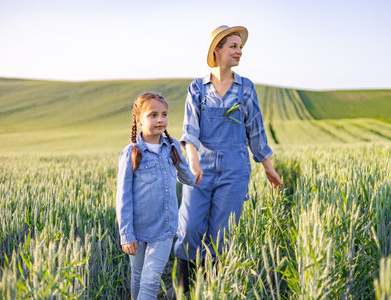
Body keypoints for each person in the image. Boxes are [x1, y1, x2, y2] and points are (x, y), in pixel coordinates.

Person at [171, 25, 284, 295]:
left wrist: (267, 166)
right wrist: (193, 161)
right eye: (233, 46)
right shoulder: (197, 88)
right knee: (189, 229)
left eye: (240, 47)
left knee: (221, 236)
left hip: (235, 169)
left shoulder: (246, 89)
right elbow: (190, 131)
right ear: (217, 50)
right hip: (199, 167)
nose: (239, 51)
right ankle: (183, 292)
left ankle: (212, 291)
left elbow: (255, 130)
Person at [116, 92, 196, 300]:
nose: (160, 120)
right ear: (139, 119)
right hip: (138, 230)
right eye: (153, 115)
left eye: (164, 114)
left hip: (164, 229)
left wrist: (190, 169)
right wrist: (126, 235)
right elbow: (123, 197)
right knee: (138, 277)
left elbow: (186, 177)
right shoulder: (132, 152)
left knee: (150, 282)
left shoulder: (173, 147)